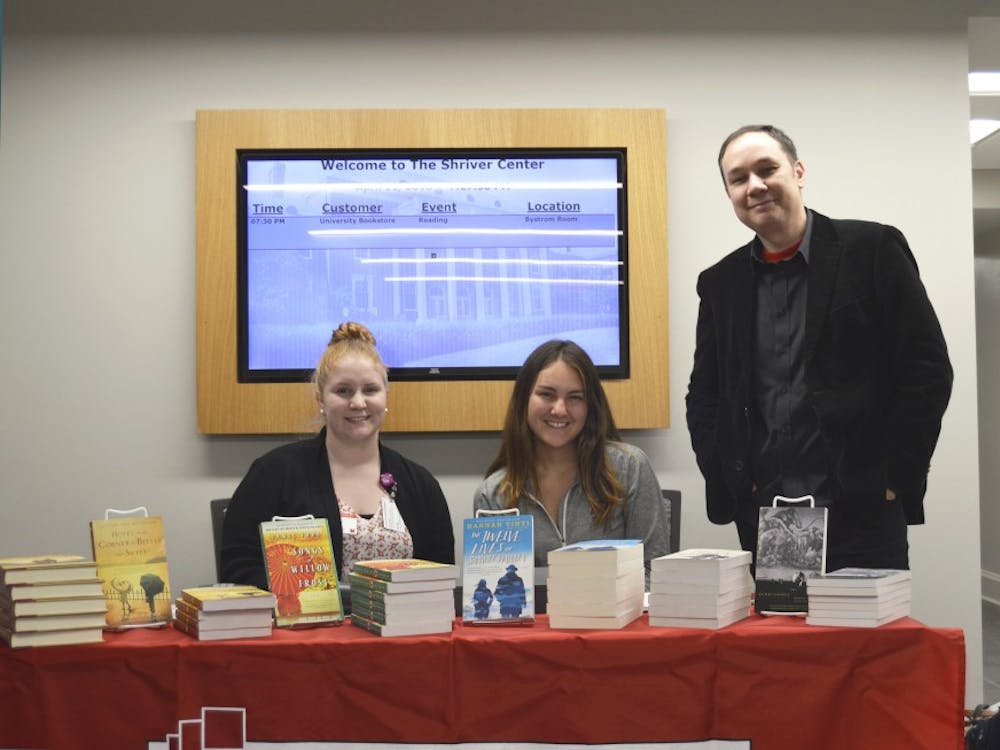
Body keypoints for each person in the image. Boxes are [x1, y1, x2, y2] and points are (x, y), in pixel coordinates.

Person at [685, 124, 953, 573]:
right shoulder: (720, 283)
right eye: (738, 178)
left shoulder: (872, 250)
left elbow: (927, 370)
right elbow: (705, 394)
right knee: (777, 642)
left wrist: (894, 476)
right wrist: (725, 472)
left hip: (862, 509)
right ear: (729, 192)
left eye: (767, 169)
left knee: (864, 644)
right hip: (767, 516)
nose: (755, 186)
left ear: (798, 171)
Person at [221, 322, 456, 603]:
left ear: (386, 396)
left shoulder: (421, 484)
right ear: (320, 397)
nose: (358, 403)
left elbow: (441, 581)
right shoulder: (273, 474)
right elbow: (237, 569)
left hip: (403, 641)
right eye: (343, 391)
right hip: (305, 641)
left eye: (370, 390)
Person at [473, 340, 670, 582]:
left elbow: (653, 571)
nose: (560, 409)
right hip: (538, 620)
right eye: (547, 394)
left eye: (575, 398)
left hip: (618, 617)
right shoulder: (493, 495)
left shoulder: (631, 468)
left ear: (590, 406)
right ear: (524, 399)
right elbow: (497, 593)